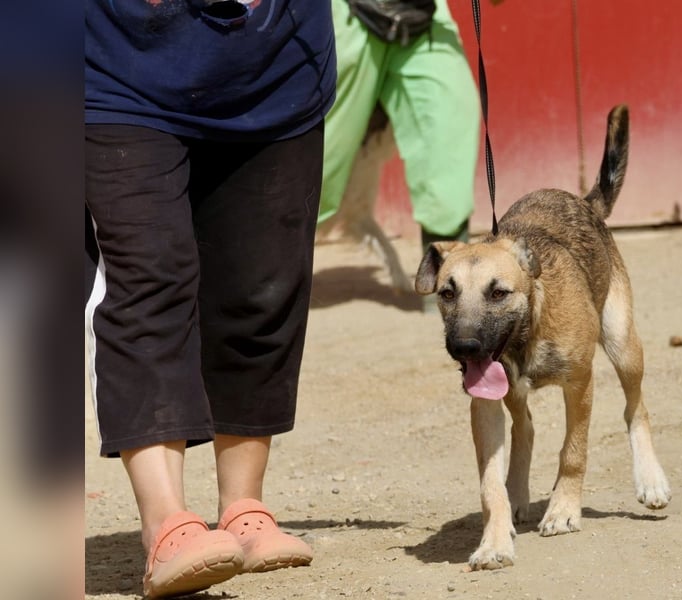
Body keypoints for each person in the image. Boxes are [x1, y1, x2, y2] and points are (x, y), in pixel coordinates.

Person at [84, 1, 336, 597]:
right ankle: (167, 524)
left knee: (262, 288)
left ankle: (244, 509)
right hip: (116, 66)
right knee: (150, 277)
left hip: (276, 71)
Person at [319, 0, 480, 273]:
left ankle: (447, 287)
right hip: (345, 15)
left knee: (448, 133)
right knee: (314, 156)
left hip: (425, 18)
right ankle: (256, 287)